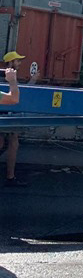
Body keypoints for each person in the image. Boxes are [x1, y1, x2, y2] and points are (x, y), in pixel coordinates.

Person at [1, 50, 24, 187]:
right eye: (17, 60)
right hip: (6, 113)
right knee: (13, 143)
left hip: (7, 112)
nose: (20, 63)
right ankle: (10, 177)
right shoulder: (9, 78)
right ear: (11, 62)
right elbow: (14, 98)